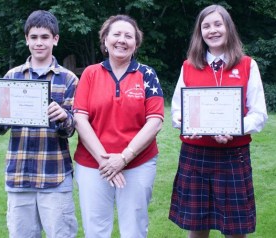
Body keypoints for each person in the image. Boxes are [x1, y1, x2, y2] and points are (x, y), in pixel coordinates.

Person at [169, 4, 268, 238]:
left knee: (235, 230)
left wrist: (234, 129)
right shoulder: (189, 66)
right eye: (206, 26)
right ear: (199, 32)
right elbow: (176, 110)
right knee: (197, 227)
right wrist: (184, 122)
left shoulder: (247, 64)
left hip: (233, 156)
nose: (212, 30)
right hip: (196, 155)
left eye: (217, 24)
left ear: (228, 28)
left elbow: (259, 114)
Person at [0, 10, 78, 238]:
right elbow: (1, 128)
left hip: (54, 175)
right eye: (34, 37)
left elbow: (73, 128)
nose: (39, 43)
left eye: (45, 37)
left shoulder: (68, 79)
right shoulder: (12, 76)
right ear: (26, 39)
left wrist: (64, 117)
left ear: (55, 39)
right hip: (19, 175)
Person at [73, 14, 164, 238]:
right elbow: (80, 119)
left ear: (136, 44)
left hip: (137, 164)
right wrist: (106, 160)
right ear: (105, 40)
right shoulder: (90, 73)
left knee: (134, 229)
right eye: (116, 34)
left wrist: (124, 157)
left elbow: (155, 121)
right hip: (93, 164)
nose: (122, 40)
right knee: (95, 229)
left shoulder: (147, 74)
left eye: (128, 36)